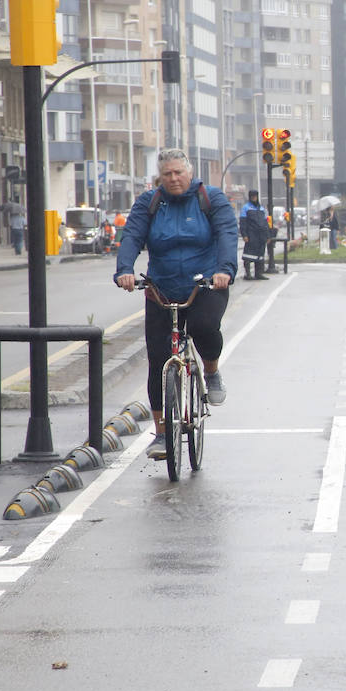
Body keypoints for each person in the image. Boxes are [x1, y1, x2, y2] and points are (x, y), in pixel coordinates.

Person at [113, 150, 238, 459]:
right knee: (158, 359)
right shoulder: (150, 202)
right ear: (161, 177)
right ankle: (161, 434)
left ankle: (210, 371)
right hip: (162, 288)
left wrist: (225, 270)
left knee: (203, 327)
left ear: (190, 173)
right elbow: (131, 235)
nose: (173, 178)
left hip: (205, 284)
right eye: (167, 174)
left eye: (178, 172)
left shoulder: (210, 198)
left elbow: (226, 233)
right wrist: (125, 270)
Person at [239, 188, 272, 279]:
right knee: (248, 255)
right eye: (252, 196)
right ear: (250, 197)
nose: (254, 198)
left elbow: (265, 223)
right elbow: (243, 222)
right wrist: (244, 235)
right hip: (251, 235)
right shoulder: (246, 208)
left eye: (255, 196)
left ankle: (258, 273)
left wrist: (268, 235)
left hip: (261, 236)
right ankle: (248, 274)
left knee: (260, 255)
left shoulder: (261, 208)